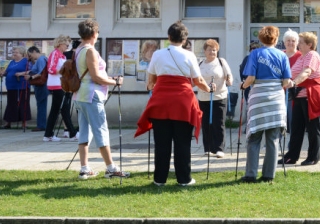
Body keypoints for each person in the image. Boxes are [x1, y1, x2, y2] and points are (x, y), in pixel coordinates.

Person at [135, 21, 210, 186]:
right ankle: (184, 179)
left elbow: (151, 80)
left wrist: (151, 87)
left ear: (169, 37)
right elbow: (197, 80)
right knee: (182, 143)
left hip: (161, 101)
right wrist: (209, 89)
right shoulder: (189, 55)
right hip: (183, 102)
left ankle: (159, 179)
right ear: (184, 39)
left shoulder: (158, 54)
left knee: (162, 143)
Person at [72, 19, 130, 180]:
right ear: (94, 33)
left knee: (84, 131)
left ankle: (84, 168)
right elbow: (97, 77)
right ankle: (111, 168)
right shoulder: (90, 51)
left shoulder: (78, 49)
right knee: (100, 130)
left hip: (80, 95)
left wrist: (109, 79)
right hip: (91, 95)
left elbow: (90, 74)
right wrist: (115, 81)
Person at [240, 26, 291, 182]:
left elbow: (250, 78)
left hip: (258, 99)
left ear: (261, 39)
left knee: (254, 138)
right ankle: (269, 175)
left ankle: (250, 174)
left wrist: (242, 86)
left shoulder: (255, 54)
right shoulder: (282, 56)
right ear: (276, 39)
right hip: (276, 99)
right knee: (273, 139)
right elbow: (286, 81)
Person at [279, 31, 320, 166]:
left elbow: (306, 72)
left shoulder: (312, 55)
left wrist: (294, 83)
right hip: (299, 97)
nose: (298, 44)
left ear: (309, 45)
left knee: (312, 128)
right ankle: (292, 156)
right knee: (296, 128)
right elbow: (291, 73)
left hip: (310, 96)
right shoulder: (302, 57)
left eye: (300, 42)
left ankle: (313, 157)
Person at [197, 39, 233, 158]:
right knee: (206, 123)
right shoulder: (200, 63)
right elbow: (195, 80)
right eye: (210, 50)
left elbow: (229, 77)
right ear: (204, 51)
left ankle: (219, 148)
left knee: (219, 123)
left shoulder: (221, 62)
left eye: (214, 50)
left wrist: (229, 80)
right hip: (203, 97)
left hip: (219, 96)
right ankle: (208, 148)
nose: (212, 52)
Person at [43, 35, 78, 142]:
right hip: (57, 84)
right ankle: (72, 133)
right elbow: (50, 69)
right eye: (66, 44)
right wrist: (64, 71)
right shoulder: (55, 53)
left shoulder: (61, 55)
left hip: (61, 84)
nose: (67, 46)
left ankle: (48, 134)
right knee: (63, 109)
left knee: (57, 109)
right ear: (60, 43)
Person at [0, 46, 30, 129]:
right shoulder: (12, 62)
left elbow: (31, 71)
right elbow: (7, 71)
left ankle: (24, 123)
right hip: (11, 86)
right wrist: (3, 74)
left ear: (22, 53)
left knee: (23, 104)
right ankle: (8, 122)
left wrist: (21, 74)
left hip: (22, 86)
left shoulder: (25, 61)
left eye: (16, 52)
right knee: (11, 104)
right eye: (13, 52)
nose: (14, 54)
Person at [25, 46, 48, 132]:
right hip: (41, 85)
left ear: (34, 51)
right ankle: (41, 124)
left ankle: (41, 125)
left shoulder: (41, 60)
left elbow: (41, 73)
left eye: (30, 55)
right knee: (41, 105)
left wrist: (31, 77)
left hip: (40, 85)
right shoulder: (43, 59)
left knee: (41, 105)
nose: (30, 57)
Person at [282, 29, 301, 134]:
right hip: (280, 91)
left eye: (293, 41)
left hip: (295, 92)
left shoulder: (300, 56)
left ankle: (292, 144)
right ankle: (276, 142)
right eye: (288, 40)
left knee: (293, 119)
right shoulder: (280, 55)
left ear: (297, 43)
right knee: (279, 119)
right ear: (284, 42)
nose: (290, 43)